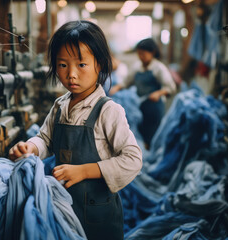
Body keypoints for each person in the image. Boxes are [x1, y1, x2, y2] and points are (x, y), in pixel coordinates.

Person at [9, 20, 142, 240]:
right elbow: (45, 138)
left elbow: (133, 160)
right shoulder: (60, 105)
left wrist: (84, 171)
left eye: (81, 65)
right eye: (62, 65)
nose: (71, 74)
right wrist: (30, 147)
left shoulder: (108, 111)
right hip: (64, 212)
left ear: (99, 64)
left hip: (98, 219)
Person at [110, 38, 176, 149]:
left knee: (153, 136)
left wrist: (159, 93)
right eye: (139, 54)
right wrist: (116, 88)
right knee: (141, 135)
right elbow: (127, 82)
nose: (141, 56)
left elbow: (171, 87)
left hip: (155, 108)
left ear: (153, 52)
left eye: (143, 54)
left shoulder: (158, 68)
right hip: (140, 107)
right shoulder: (137, 67)